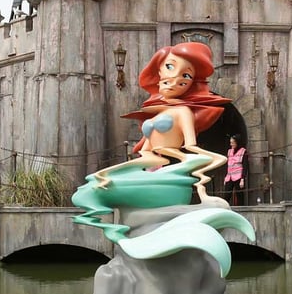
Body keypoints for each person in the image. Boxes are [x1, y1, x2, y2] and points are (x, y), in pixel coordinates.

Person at [95, 42, 232, 204]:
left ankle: (200, 195)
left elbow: (190, 145)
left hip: (175, 155)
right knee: (102, 177)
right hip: (154, 158)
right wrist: (111, 173)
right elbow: (146, 150)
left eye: (185, 78)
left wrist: (206, 158)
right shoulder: (157, 113)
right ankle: (104, 180)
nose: (174, 82)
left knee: (212, 163)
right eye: (169, 67)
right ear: (159, 74)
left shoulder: (183, 111)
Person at [223, 135, 249, 206]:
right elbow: (227, 165)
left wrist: (242, 179)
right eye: (230, 142)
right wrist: (225, 177)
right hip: (229, 176)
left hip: (238, 176)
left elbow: (245, 166)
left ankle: (241, 210)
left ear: (237, 142)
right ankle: (224, 208)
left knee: (239, 195)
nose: (231, 144)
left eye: (233, 143)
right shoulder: (229, 151)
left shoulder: (243, 151)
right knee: (227, 194)